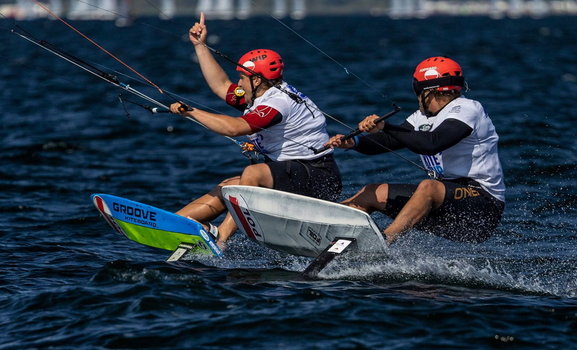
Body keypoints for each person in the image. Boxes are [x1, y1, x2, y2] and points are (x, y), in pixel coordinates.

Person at [170, 13, 341, 251]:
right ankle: (171, 225)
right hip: (293, 174)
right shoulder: (259, 95)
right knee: (228, 187)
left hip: (319, 179)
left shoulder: (276, 104)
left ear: (258, 81)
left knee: (252, 174)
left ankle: (220, 240)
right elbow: (221, 86)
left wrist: (190, 112)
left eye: (242, 78)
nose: (238, 84)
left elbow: (233, 128)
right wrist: (200, 46)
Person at [326, 56, 505, 244]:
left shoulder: (468, 109)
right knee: (372, 193)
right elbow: (388, 141)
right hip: (444, 205)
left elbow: (432, 144)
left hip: (483, 209)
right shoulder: (421, 117)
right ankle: (329, 230)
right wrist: (354, 142)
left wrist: (386, 126)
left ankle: (383, 242)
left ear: (425, 90)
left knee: (429, 187)